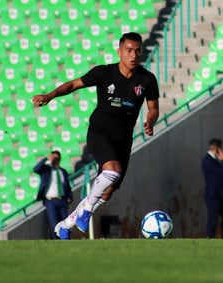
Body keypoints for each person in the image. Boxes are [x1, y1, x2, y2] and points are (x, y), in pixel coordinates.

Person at [32, 32, 160, 240]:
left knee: (108, 191)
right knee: (113, 171)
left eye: (137, 50)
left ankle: (65, 225)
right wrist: (50, 96)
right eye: (128, 50)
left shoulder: (147, 79)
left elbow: (153, 107)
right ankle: (87, 209)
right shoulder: (104, 73)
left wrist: (150, 121)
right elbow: (73, 84)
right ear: (119, 52)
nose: (133, 55)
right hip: (100, 132)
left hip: (123, 139)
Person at [33, 150, 73, 239]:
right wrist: (47, 158)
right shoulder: (46, 170)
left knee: (65, 223)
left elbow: (67, 185)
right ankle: (56, 240)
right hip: (51, 201)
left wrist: (70, 196)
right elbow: (36, 169)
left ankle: (66, 239)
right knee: (54, 223)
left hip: (62, 200)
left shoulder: (62, 171)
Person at [201, 138, 223, 238]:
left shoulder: (212, 161)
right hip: (213, 195)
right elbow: (219, 174)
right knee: (213, 219)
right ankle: (210, 237)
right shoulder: (207, 161)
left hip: (220, 195)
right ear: (218, 149)